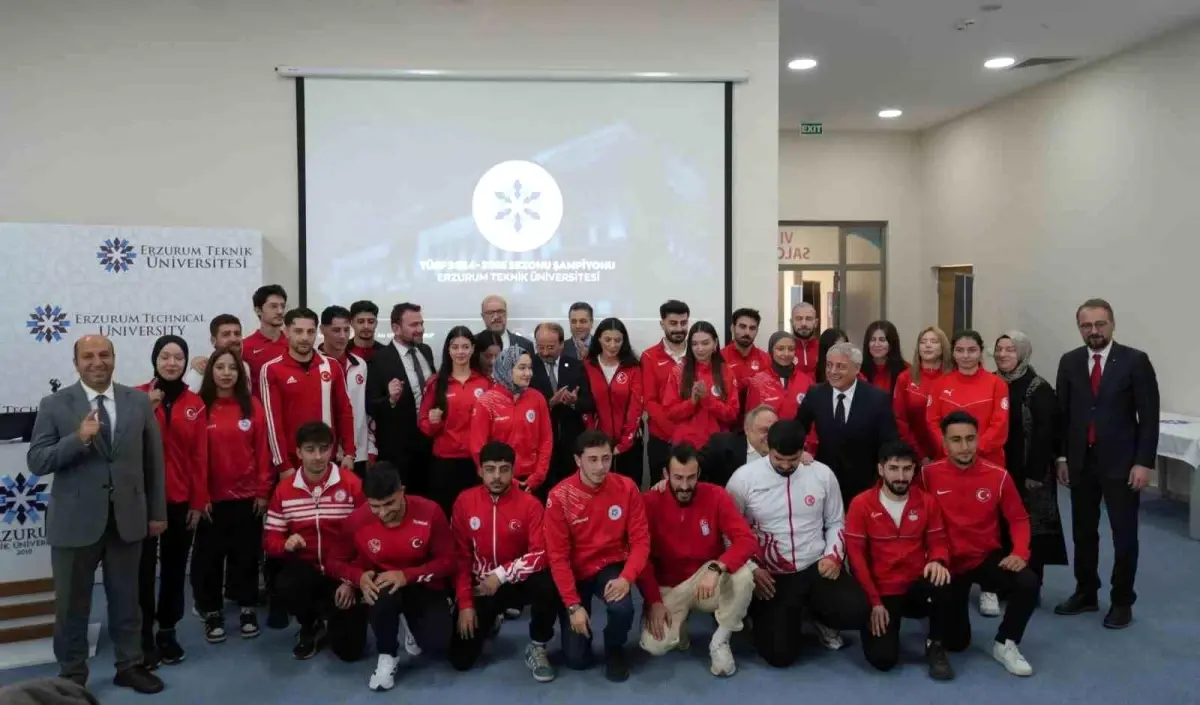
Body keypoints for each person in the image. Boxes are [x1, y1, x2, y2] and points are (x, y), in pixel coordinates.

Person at [28, 335, 166, 693]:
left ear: (114, 359)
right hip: (74, 523)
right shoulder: (55, 404)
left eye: (104, 354)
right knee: (71, 605)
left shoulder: (138, 401)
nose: (97, 362)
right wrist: (78, 439)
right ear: (76, 363)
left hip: (127, 519)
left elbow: (153, 462)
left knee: (127, 600)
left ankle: (130, 665)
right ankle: (72, 675)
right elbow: (38, 461)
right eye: (87, 356)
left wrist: (157, 512)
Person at [726, 420, 870, 666]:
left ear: (803, 449)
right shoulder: (743, 479)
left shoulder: (822, 474)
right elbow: (729, 533)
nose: (785, 465)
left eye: (792, 459)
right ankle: (769, 616)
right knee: (779, 656)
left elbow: (836, 522)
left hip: (814, 565)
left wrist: (833, 556)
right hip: (770, 575)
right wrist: (751, 570)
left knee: (857, 610)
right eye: (778, 459)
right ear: (768, 448)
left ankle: (817, 617)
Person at [1053, 298, 1159, 630]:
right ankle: (1086, 592)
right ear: (1079, 328)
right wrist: (1062, 457)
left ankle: (1122, 600)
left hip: (1122, 464)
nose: (1094, 331)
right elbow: (1063, 415)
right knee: (1083, 532)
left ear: (1112, 324)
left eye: (1100, 324)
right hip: (1081, 463)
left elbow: (1149, 417)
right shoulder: (1069, 361)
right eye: (1086, 325)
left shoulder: (1135, 361)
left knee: (1123, 535)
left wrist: (1143, 462)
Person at [921, 411, 1039, 677]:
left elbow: (1019, 519)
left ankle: (1006, 643)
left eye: (970, 438)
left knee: (1028, 582)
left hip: (985, 557)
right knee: (956, 644)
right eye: (956, 440)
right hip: (948, 564)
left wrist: (1020, 552)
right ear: (944, 442)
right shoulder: (927, 475)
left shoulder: (998, 476)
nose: (964, 446)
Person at [331, 463, 454, 692]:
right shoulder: (357, 520)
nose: (383, 512)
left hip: (420, 583)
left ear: (402, 491)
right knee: (381, 593)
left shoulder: (430, 512)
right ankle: (387, 655)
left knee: (438, 643)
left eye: (389, 504)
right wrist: (357, 578)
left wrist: (406, 575)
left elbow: (448, 561)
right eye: (375, 506)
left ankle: (409, 622)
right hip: (383, 585)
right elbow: (334, 561)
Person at [637, 445, 757, 677]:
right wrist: (653, 601)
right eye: (678, 478)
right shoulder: (649, 502)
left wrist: (717, 567)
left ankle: (720, 641)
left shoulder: (716, 495)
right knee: (654, 646)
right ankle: (680, 626)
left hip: (705, 579)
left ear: (699, 473)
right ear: (665, 474)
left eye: (691, 477)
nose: (685, 485)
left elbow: (746, 540)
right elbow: (642, 557)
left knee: (743, 576)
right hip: (669, 585)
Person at [448, 442, 561, 682]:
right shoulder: (464, 502)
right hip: (482, 586)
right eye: (490, 469)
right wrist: (465, 603)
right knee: (460, 660)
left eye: (504, 469)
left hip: (517, 582)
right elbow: (460, 557)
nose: (497, 476)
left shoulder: (531, 504)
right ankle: (491, 619)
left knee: (547, 583)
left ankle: (538, 646)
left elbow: (541, 554)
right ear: (480, 470)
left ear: (513, 470)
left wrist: (500, 575)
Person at [543, 431, 651, 682]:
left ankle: (614, 646)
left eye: (606, 458)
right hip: (575, 571)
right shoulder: (559, 497)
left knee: (623, 607)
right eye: (592, 459)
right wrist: (573, 605)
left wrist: (626, 578)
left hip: (609, 566)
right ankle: (578, 635)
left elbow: (641, 541)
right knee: (577, 661)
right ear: (577, 460)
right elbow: (557, 557)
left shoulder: (627, 488)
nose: (600, 466)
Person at [844, 441, 954, 680]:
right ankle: (878, 622)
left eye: (907, 469)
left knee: (943, 580)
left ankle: (935, 644)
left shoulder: (927, 502)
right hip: (881, 591)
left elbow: (938, 542)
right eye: (894, 469)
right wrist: (874, 603)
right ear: (881, 469)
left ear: (915, 469)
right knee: (883, 660)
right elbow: (856, 560)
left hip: (914, 585)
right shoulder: (860, 504)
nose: (901, 477)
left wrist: (938, 560)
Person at [264, 421, 367, 662]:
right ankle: (309, 623)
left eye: (323, 449)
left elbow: (369, 537)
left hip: (343, 575)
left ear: (332, 450)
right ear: (299, 452)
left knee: (350, 652)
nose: (318, 456)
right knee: (287, 581)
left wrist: (351, 580)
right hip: (307, 572)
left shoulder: (352, 484)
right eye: (310, 450)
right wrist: (285, 544)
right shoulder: (284, 490)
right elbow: (270, 539)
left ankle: (338, 616)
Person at [135, 335, 208, 667]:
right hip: (142, 500)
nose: (172, 363)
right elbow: (123, 444)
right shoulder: (135, 397)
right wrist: (144, 411)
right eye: (165, 356)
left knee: (175, 568)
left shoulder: (196, 403)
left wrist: (198, 502)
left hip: (180, 500)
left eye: (179, 357)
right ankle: (142, 635)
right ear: (155, 360)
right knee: (142, 570)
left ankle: (167, 630)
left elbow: (200, 457)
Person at [192, 349, 272, 643]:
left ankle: (247, 607)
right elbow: (195, 458)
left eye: (232, 368)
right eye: (220, 367)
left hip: (247, 498)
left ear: (240, 374)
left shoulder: (252, 406)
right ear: (210, 371)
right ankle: (212, 611)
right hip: (211, 501)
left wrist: (262, 492)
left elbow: (262, 451)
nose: (226, 373)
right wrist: (200, 496)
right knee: (209, 559)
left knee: (246, 557)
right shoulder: (199, 406)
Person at [994, 332, 1067, 589]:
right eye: (999, 349)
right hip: (998, 469)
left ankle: (1029, 585)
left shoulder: (1038, 387)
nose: (1002, 354)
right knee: (1000, 525)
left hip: (1029, 472)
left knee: (1031, 528)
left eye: (1010, 349)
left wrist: (1035, 473)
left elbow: (1047, 433)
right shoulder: (991, 381)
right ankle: (1002, 582)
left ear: (1023, 353)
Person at [797, 342, 898, 508]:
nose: (832, 371)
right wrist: (799, 452)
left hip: (865, 484)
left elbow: (889, 442)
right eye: (829, 365)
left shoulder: (877, 399)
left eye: (840, 366)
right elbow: (798, 428)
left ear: (856, 369)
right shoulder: (816, 393)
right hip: (825, 480)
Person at [260, 307, 356, 476]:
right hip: (292, 464)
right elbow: (272, 423)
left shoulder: (332, 366)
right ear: (286, 332)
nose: (305, 337)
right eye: (298, 331)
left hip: (328, 460)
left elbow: (344, 411)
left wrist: (349, 453)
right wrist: (283, 465)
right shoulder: (271, 369)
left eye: (310, 332)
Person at [418, 325, 491, 516]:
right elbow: (424, 425)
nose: (460, 352)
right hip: (445, 463)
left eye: (465, 347)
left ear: (473, 349)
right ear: (448, 350)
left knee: (475, 515)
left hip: (476, 462)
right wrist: (433, 421)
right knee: (444, 515)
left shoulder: (485, 383)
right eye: (455, 347)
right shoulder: (436, 383)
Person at [366, 302, 437, 496]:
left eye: (421, 323)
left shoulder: (426, 351)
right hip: (399, 450)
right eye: (414, 325)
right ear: (396, 328)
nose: (420, 329)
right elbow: (371, 406)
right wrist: (390, 399)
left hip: (430, 444)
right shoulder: (379, 359)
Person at [469, 346, 553, 494]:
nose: (528, 373)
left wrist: (538, 476)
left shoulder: (537, 398)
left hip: (532, 481)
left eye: (530, 368)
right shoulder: (486, 402)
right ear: (506, 369)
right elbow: (478, 449)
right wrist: (507, 479)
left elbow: (546, 440)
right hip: (497, 480)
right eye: (522, 368)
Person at [925, 330, 1008, 467]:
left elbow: (1000, 424)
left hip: (988, 462)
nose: (965, 355)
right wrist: (951, 448)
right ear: (953, 353)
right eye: (959, 350)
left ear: (980, 352)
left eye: (972, 350)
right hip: (948, 460)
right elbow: (932, 421)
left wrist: (972, 449)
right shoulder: (939, 384)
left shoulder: (997, 384)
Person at [531, 322, 595, 488]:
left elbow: (590, 402)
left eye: (550, 347)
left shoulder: (576, 366)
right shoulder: (528, 367)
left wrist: (574, 403)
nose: (545, 352)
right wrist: (549, 403)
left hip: (571, 442)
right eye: (540, 347)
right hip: (540, 444)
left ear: (561, 344)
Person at [583, 317, 645, 486]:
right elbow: (586, 407)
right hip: (597, 445)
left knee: (629, 490)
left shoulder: (633, 367)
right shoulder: (588, 366)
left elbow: (636, 407)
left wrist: (624, 444)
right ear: (599, 339)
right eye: (607, 340)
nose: (612, 345)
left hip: (629, 444)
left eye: (617, 340)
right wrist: (594, 440)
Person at [319, 305, 376, 476]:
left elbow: (366, 410)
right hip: (321, 452)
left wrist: (370, 448)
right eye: (336, 330)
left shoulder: (360, 365)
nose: (343, 336)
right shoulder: (314, 365)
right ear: (322, 330)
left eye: (346, 330)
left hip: (357, 452)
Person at [662, 321, 739, 448]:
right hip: (685, 446)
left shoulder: (726, 371)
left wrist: (708, 400)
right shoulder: (678, 372)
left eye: (705, 343)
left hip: (717, 444)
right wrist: (692, 403)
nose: (700, 348)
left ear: (715, 343)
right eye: (694, 344)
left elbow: (732, 414)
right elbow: (670, 413)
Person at [640, 299, 690, 476]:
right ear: (662, 324)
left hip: (694, 439)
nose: (679, 328)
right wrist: (674, 433)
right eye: (673, 323)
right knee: (660, 489)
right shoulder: (649, 356)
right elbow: (650, 401)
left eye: (683, 323)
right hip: (662, 439)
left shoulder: (697, 354)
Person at [893, 326, 952, 464]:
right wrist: (919, 455)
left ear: (943, 347)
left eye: (934, 341)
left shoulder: (952, 377)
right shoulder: (905, 378)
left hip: (949, 454)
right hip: (914, 455)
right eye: (923, 342)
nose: (927, 345)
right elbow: (900, 420)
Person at [699, 405, 778, 488]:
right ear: (747, 429)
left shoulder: (784, 450)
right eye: (764, 430)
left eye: (774, 430)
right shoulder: (721, 445)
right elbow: (695, 469)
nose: (771, 436)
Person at [744, 331, 813, 421]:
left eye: (791, 349)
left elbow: (812, 418)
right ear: (771, 350)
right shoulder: (757, 381)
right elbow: (751, 419)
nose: (786, 353)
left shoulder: (807, 381)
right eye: (780, 349)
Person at [182, 313, 248, 393]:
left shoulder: (245, 366)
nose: (233, 339)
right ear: (213, 341)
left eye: (237, 334)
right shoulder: (200, 370)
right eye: (226, 334)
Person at [242, 285, 289, 394]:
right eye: (273, 306)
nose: (280, 311)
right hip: (258, 404)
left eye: (282, 306)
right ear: (258, 310)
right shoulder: (245, 346)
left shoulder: (293, 344)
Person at [721, 308, 771, 392]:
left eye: (752, 328)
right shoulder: (720, 358)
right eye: (742, 327)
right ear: (732, 328)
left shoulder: (766, 359)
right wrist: (749, 382)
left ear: (757, 331)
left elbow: (769, 390)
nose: (747, 332)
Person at [860, 320, 909, 394]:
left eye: (882, 340)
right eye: (873, 340)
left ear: (891, 344)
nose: (876, 344)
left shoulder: (906, 370)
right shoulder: (858, 370)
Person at [789, 302, 821, 380]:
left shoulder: (824, 349)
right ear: (791, 322)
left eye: (808, 319)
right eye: (799, 319)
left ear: (816, 323)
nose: (804, 324)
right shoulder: (781, 349)